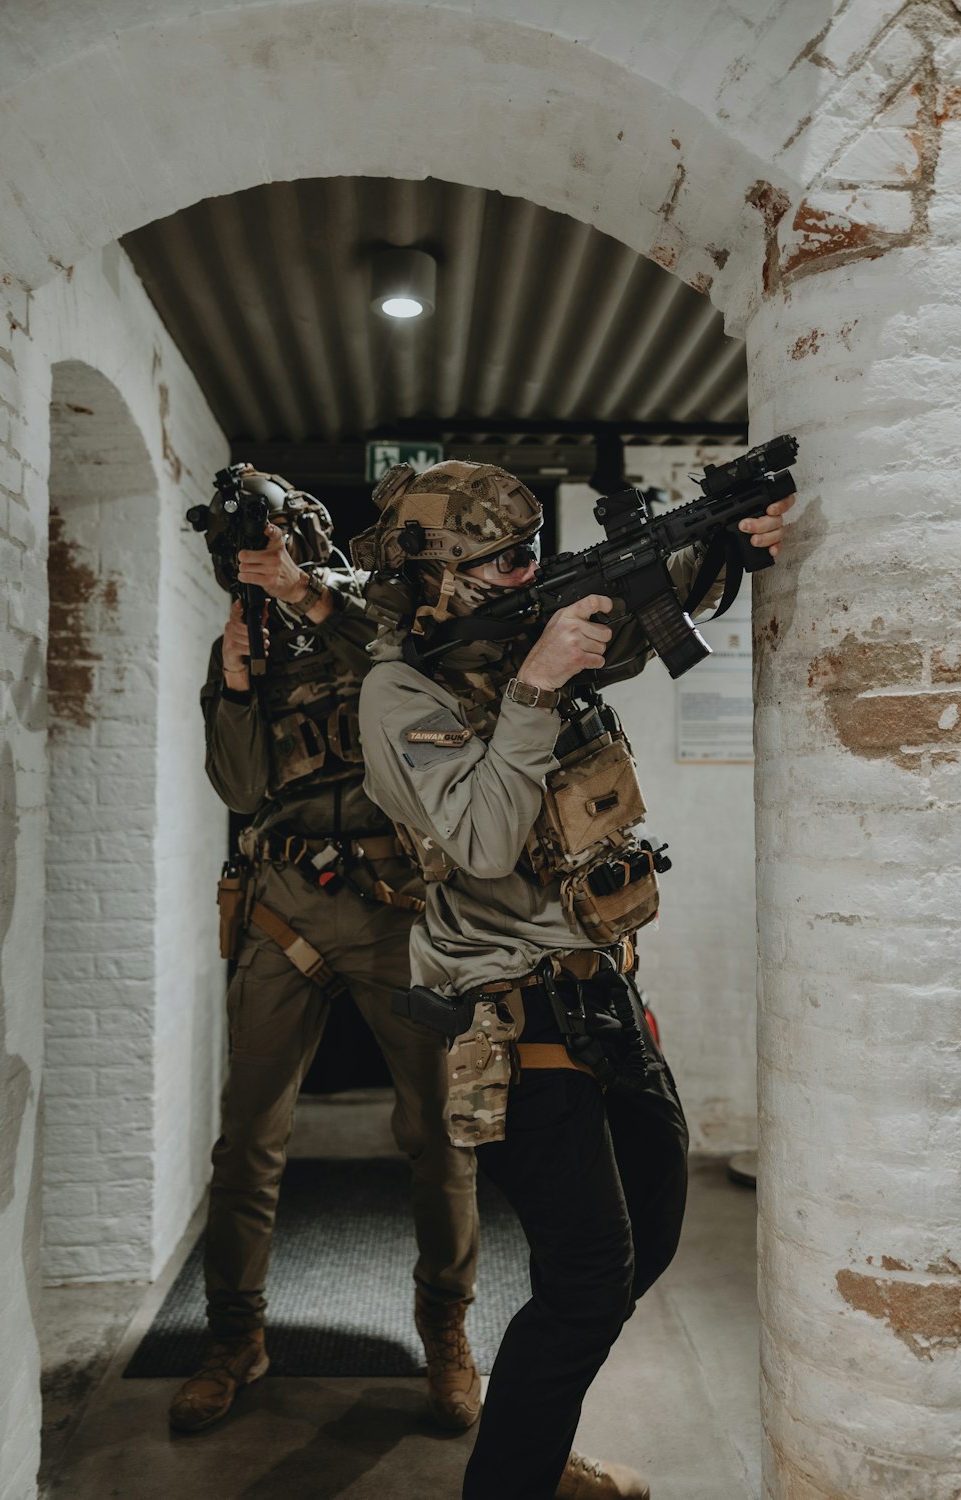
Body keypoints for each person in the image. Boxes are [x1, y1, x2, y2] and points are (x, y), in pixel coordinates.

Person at [353, 459, 793, 1500]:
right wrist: (539, 682)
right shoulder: (399, 691)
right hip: (513, 1021)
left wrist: (725, 543)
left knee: (642, 1245)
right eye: (496, 564)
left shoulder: (511, 632)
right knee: (590, 1276)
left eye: (526, 556)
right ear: (436, 579)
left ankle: (533, 1444)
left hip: (604, 993)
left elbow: (644, 612)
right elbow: (483, 837)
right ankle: (515, 1479)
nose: (522, 576)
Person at [169, 466, 480, 1435]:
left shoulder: (375, 603)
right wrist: (230, 683)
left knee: (440, 1130)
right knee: (248, 1139)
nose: (257, 561)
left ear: (307, 540)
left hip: (396, 902)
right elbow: (237, 785)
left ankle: (446, 1332)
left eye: (273, 545)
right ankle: (235, 1337)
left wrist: (306, 591)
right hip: (286, 903)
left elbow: (412, 668)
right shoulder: (248, 639)